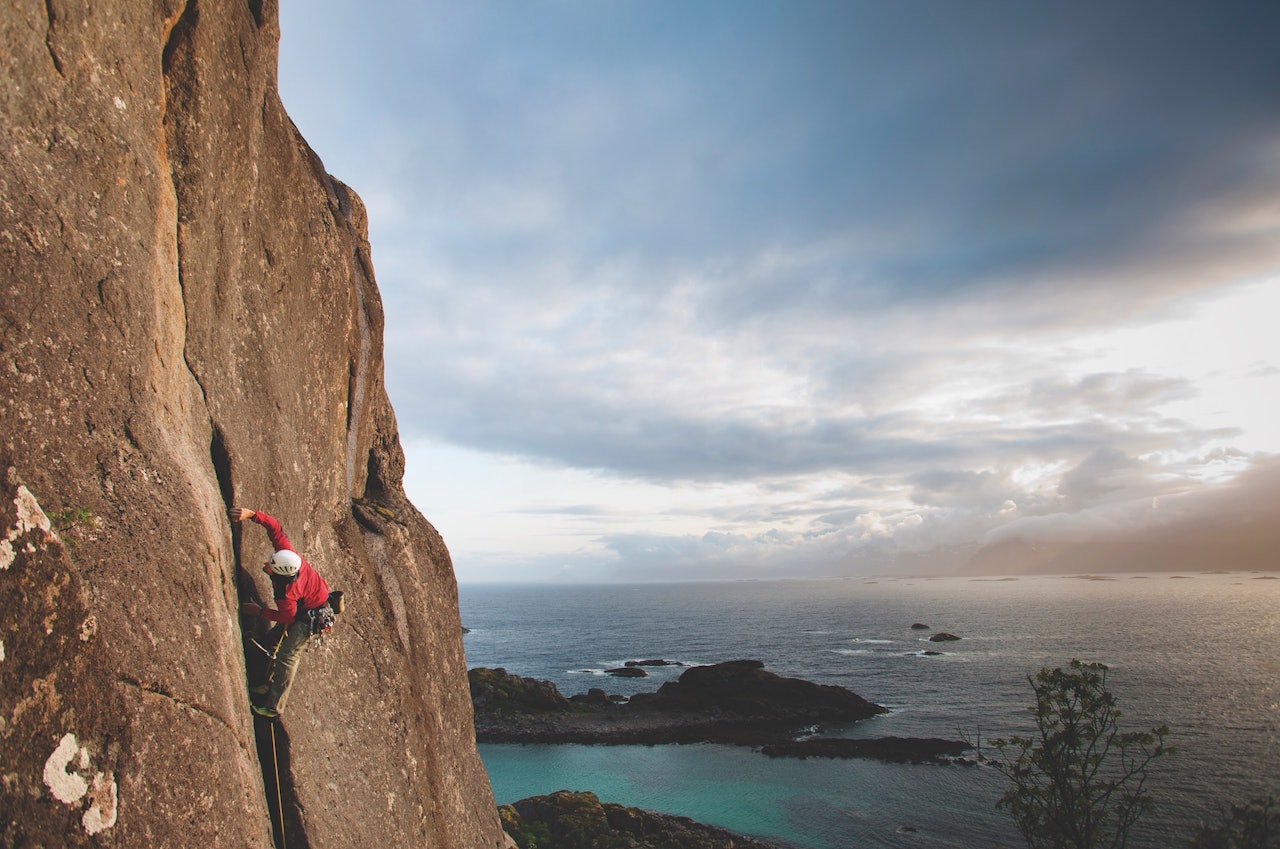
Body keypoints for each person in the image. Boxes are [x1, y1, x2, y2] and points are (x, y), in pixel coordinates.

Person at [230, 506, 331, 718]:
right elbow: (275, 528)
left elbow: (287, 617)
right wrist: (251, 515)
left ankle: (274, 707)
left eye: (271, 566)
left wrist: (259, 612)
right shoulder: (289, 556)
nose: (267, 563)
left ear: (281, 576)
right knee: (272, 641)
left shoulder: (287, 593)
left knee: (287, 655)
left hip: (310, 618)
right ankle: (268, 684)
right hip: (310, 604)